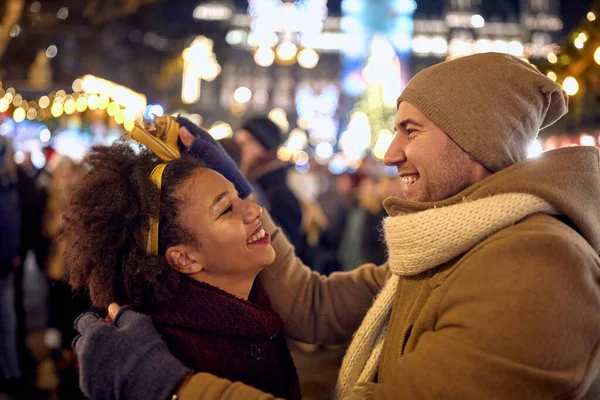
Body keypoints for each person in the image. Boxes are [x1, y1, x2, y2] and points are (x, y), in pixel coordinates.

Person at [74, 52, 600, 399]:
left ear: (476, 143)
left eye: (410, 131)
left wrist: (167, 385)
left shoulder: (535, 264)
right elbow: (315, 306)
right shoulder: (458, 244)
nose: (391, 152)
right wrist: (240, 187)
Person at [65, 116, 300, 399]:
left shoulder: (256, 309)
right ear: (184, 259)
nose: (255, 211)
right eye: (226, 210)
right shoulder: (176, 349)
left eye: (238, 195)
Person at [235, 117, 303, 245]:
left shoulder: (276, 192)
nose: (239, 149)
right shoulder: (257, 183)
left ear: (263, 146)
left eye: (244, 143)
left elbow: (283, 249)